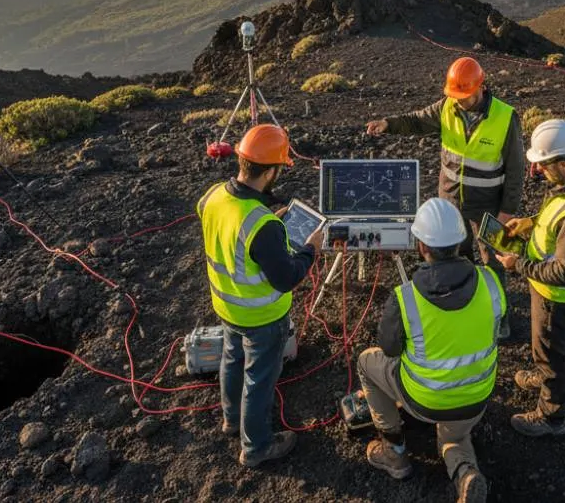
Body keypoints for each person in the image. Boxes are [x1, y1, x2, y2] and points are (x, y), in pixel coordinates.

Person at [365, 56, 524, 339]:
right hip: (451, 202)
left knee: (493, 263)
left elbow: (515, 170)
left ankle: (499, 318)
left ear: (480, 87)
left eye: (464, 96)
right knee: (457, 258)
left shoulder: (504, 117)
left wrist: (507, 212)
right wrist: (388, 124)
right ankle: (462, 308)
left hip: (488, 205)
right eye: (456, 96)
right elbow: (416, 122)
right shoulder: (446, 107)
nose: (459, 101)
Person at [356, 198, 504, 502]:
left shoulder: (406, 298)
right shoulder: (491, 281)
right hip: (477, 397)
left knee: (366, 363)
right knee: (454, 436)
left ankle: (394, 452)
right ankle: (465, 472)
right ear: (461, 240)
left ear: (421, 246)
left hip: (424, 399)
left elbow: (389, 348)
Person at [197, 124, 325, 467]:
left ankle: (231, 420)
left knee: (232, 359)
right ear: (270, 171)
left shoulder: (213, 196)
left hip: (226, 306)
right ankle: (256, 447)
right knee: (259, 379)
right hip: (261, 318)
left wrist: (268, 219)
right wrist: (310, 250)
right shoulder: (263, 226)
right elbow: (286, 278)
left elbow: (226, 225)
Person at [494, 119, 565, 437]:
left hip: (558, 295)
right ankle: (543, 375)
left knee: (550, 351)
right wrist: (531, 224)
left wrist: (519, 265)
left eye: (543, 166)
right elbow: (559, 217)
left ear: (562, 162)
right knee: (545, 347)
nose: (538, 173)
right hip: (560, 288)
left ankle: (552, 416)